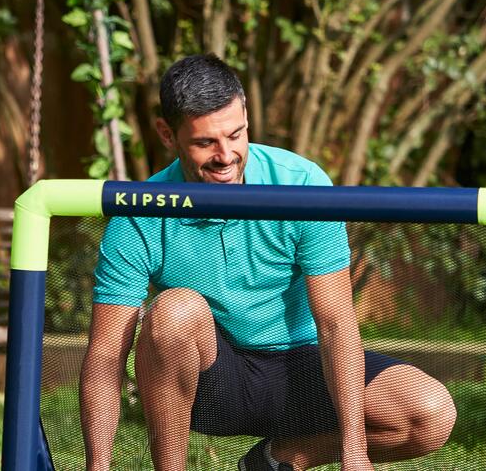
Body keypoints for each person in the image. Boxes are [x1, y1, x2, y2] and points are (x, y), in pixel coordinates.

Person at [78, 53, 457, 471]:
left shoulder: (302, 185)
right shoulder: (140, 212)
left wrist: (354, 449)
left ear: (246, 118)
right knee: (173, 310)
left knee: (430, 412)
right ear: (168, 134)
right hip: (215, 381)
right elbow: (106, 356)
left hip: (304, 372)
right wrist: (98, 467)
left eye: (236, 135)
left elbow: (334, 321)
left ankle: (274, 462)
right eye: (206, 142)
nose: (226, 156)